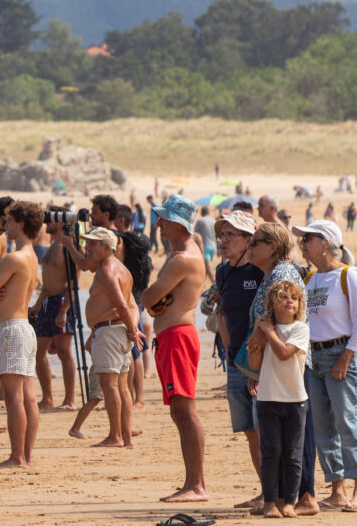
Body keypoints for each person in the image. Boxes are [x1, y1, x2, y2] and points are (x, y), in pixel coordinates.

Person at [140, 194, 207, 502]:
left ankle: (196, 485)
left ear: (178, 223)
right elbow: (154, 299)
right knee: (179, 412)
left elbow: (148, 298)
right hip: (172, 336)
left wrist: (154, 300)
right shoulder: (179, 252)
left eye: (163, 219)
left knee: (185, 411)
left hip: (178, 336)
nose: (158, 224)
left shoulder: (183, 258)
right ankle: (192, 483)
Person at [292, 220, 357, 511]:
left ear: (326, 243)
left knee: (348, 423)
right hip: (314, 359)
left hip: (340, 355)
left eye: (308, 238)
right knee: (323, 428)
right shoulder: (310, 279)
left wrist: (346, 357)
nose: (302, 243)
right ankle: (337, 490)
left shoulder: (348, 275)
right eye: (302, 238)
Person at [0, 201, 42, 467]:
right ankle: (26, 455)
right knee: (28, 396)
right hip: (25, 327)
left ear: (21, 224)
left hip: (11, 328)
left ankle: (17, 456)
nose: (6, 226)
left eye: (11, 221)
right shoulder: (32, 257)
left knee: (14, 397)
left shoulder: (13, 258)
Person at [212, 211, 268, 509]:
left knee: (265, 427)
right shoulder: (222, 272)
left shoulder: (260, 271)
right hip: (236, 361)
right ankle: (265, 490)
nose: (223, 241)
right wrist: (229, 351)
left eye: (230, 235)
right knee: (249, 430)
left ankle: (277, 491)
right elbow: (222, 312)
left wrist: (256, 359)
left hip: (262, 362)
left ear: (249, 240)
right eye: (222, 235)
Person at [246, 280, 310, 519]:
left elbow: (284, 353)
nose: (290, 301)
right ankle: (270, 502)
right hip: (268, 398)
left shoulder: (300, 329)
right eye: (284, 297)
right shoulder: (265, 329)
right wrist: (258, 331)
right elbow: (254, 364)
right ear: (273, 304)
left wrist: (268, 331)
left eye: (294, 298)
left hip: (295, 399)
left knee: (293, 455)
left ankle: (290, 502)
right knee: (271, 451)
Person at [79, 228, 140, 447]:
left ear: (106, 247)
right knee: (122, 386)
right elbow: (132, 305)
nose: (87, 248)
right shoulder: (122, 269)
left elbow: (122, 305)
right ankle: (126, 437)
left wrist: (133, 330)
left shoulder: (106, 271)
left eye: (92, 244)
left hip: (110, 332)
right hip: (118, 331)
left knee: (110, 386)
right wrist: (132, 329)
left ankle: (115, 436)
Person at [29, 210, 77, 411]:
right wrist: (38, 304)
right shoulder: (51, 247)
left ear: (60, 223)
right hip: (47, 303)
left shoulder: (68, 248)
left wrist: (64, 310)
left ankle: (69, 400)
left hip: (61, 302)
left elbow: (73, 283)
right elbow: (48, 281)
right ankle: (47, 398)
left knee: (64, 352)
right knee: (38, 352)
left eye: (50, 220)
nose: (46, 223)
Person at [195, 207, 217, 282]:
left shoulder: (200, 220)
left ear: (201, 213)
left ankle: (215, 285)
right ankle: (201, 284)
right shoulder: (214, 221)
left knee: (208, 268)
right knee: (206, 268)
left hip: (205, 247)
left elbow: (195, 234)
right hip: (213, 247)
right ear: (208, 213)